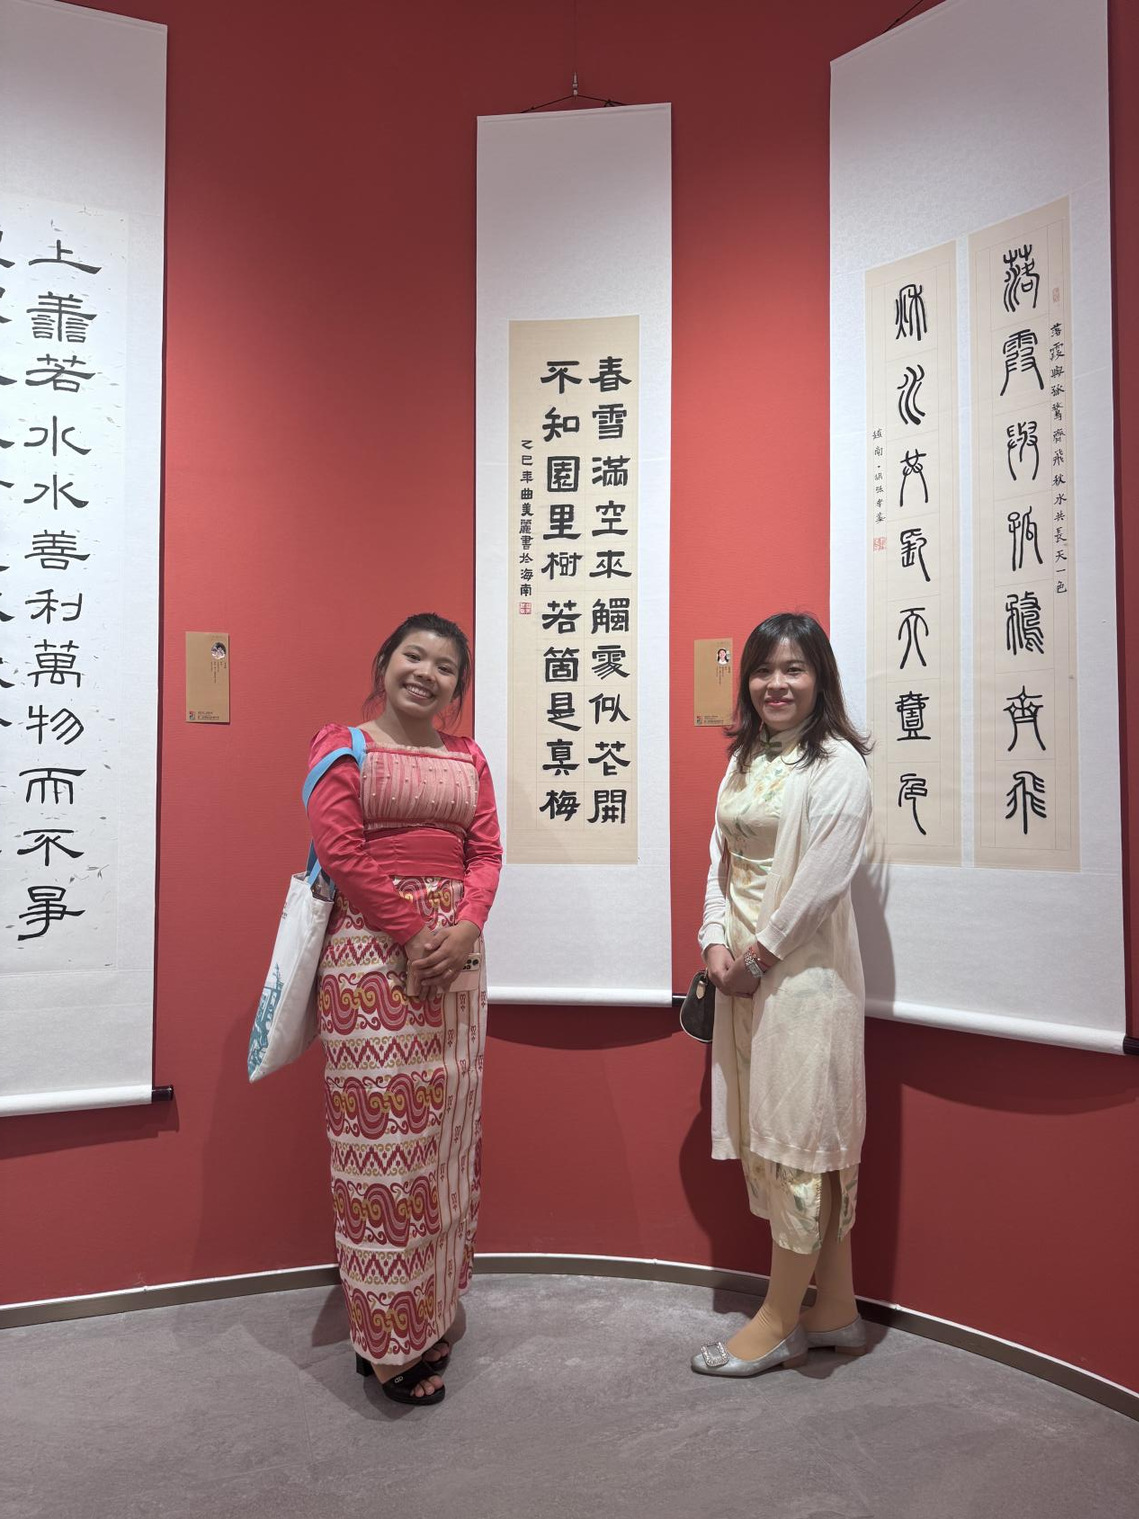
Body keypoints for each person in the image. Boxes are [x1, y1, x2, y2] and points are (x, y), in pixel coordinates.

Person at [306, 613, 502, 1406]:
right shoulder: (341, 745)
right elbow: (340, 850)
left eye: (444, 666)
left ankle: (431, 1305)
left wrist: (465, 927)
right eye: (412, 656)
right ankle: (385, 1341)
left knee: (445, 1143)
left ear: (457, 684)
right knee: (381, 1147)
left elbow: (486, 852)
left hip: (456, 963)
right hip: (369, 962)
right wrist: (414, 931)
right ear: (384, 662)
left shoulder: (469, 757)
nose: (426, 673)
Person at [691, 612, 872, 1378]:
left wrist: (757, 956)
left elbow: (820, 883)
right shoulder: (745, 758)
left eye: (793, 668)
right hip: (741, 978)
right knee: (789, 1139)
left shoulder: (837, 764)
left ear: (818, 676)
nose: (776, 683)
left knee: (798, 1142)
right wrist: (712, 941)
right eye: (764, 669)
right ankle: (835, 1308)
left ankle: (776, 1321)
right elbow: (719, 860)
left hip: (802, 982)